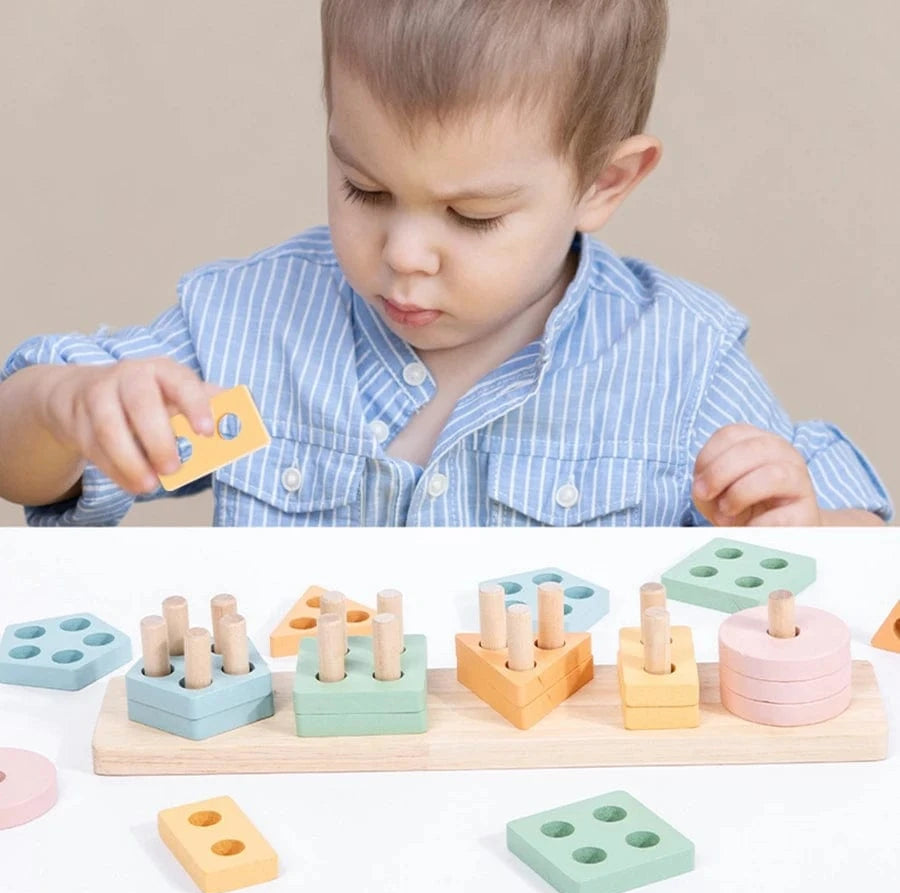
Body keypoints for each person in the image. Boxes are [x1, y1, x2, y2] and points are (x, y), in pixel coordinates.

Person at [0, 0, 891, 526]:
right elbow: (25, 466)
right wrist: (64, 408)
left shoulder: (679, 359)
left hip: (559, 797)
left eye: (473, 216)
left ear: (604, 182)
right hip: (307, 790)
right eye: (365, 189)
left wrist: (802, 528)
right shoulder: (251, 322)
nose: (404, 255)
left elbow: (859, 544)